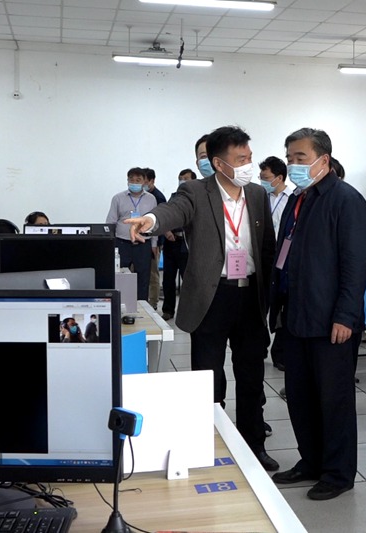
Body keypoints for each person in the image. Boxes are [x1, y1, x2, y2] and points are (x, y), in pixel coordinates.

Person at [124, 126, 278, 472]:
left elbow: (266, 245)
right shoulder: (194, 191)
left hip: (250, 295)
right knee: (208, 377)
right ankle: (209, 443)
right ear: (219, 163)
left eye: (249, 157)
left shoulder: (257, 194)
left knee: (252, 376)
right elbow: (173, 212)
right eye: (241, 159)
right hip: (212, 296)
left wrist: (268, 294)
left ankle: (254, 445)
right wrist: (150, 220)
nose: (248, 165)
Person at [269, 128, 366, 501]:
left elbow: (356, 265)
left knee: (333, 401)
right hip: (296, 317)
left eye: (300, 157)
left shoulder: (346, 201)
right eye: (290, 158)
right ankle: (311, 461)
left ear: (323, 160)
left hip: (332, 322)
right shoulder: (298, 200)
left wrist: (346, 315)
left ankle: (338, 473)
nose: (293, 164)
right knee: (300, 397)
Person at [258, 156, 292, 372]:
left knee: (281, 305)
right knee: (260, 304)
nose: (262, 181)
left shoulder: (292, 199)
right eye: (261, 177)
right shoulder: (260, 197)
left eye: (266, 177)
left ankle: (280, 352)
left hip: (283, 258)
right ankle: (260, 345)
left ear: (279, 178)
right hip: (262, 256)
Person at [106, 168, 157, 301]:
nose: (134, 182)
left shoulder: (151, 199)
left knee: (143, 278)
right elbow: (111, 222)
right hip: (122, 243)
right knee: (121, 277)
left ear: (144, 181)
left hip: (143, 244)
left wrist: (154, 244)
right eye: (131, 180)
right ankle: (121, 305)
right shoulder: (118, 198)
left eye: (138, 180)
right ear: (127, 180)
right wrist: (110, 244)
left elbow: (154, 224)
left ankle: (142, 306)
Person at [160, 168, 196, 321]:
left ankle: (190, 311)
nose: (183, 181)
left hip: (186, 243)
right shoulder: (174, 197)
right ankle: (168, 310)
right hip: (171, 242)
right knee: (168, 278)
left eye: (186, 178)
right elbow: (167, 215)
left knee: (187, 279)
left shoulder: (198, 198)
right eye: (181, 178)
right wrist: (166, 230)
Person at [144, 168, 167, 309]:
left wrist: (155, 244)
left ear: (152, 181)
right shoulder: (141, 197)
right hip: (141, 240)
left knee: (153, 273)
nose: (142, 184)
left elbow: (161, 222)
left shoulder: (158, 197)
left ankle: (153, 303)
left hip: (155, 242)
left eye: (144, 181)